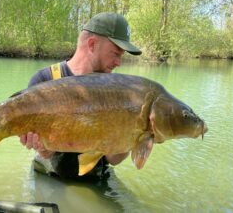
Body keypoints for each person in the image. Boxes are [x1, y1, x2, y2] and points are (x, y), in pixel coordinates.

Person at [20, 12, 142, 180]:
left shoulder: (116, 91)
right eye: (116, 53)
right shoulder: (44, 81)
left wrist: (134, 133)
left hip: (96, 177)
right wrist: (43, 147)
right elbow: (45, 152)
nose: (119, 62)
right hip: (51, 176)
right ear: (92, 44)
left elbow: (113, 159)